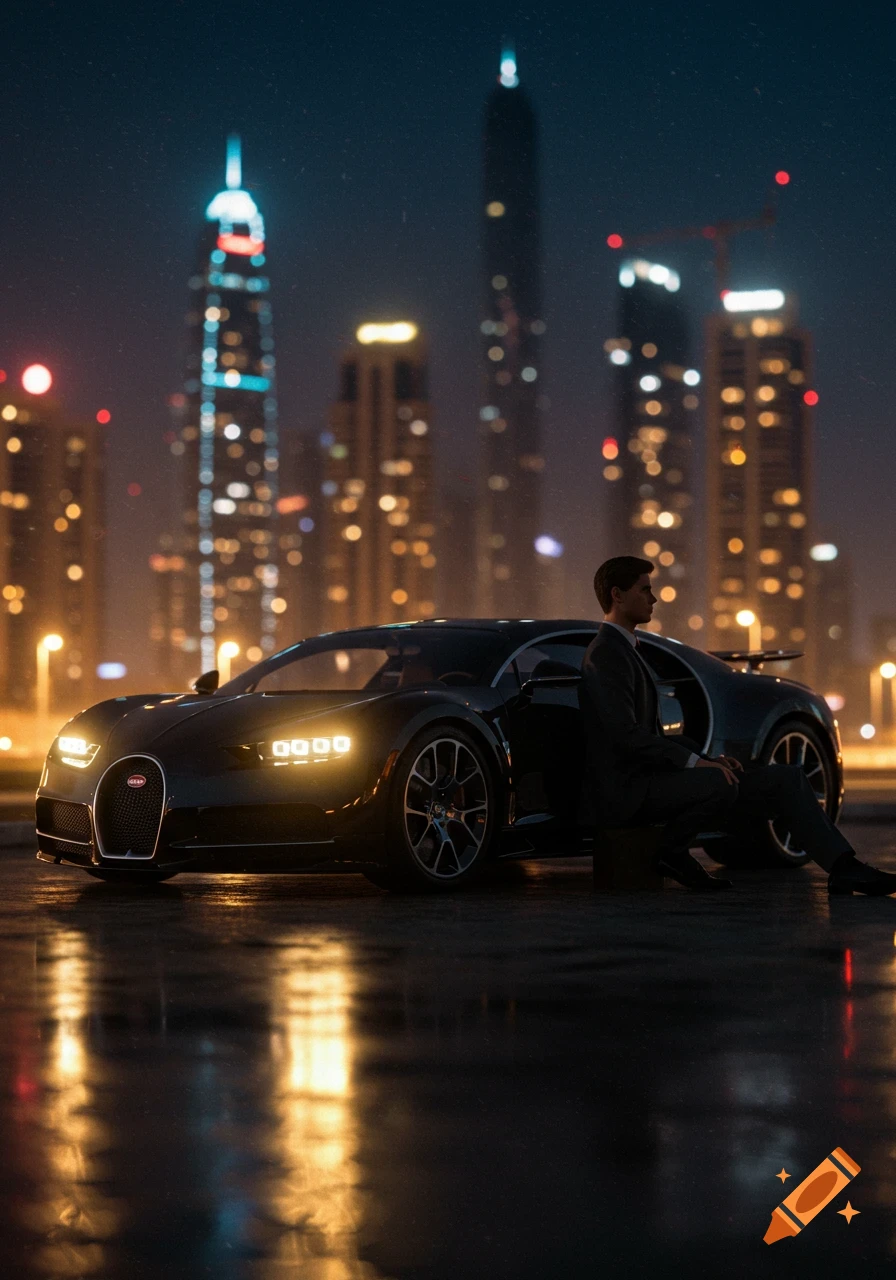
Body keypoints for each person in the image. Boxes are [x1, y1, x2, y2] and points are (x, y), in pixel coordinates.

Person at [579, 555, 896, 894]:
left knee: (785, 779)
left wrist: (707, 759)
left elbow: (648, 735)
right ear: (617, 595)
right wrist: (695, 764)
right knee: (718, 783)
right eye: (644, 590)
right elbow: (624, 736)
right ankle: (670, 852)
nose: (653, 598)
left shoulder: (626, 649)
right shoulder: (607, 653)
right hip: (629, 792)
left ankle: (844, 867)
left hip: (651, 780)